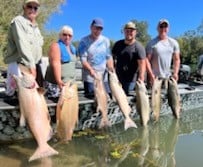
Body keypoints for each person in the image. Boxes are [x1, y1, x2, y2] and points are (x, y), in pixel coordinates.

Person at [3, 0, 43, 97]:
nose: (33, 10)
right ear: (24, 7)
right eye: (30, 6)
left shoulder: (36, 27)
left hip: (32, 66)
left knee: (34, 98)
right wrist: (31, 66)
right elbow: (23, 45)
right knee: (18, 98)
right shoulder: (18, 21)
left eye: (35, 8)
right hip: (20, 65)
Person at [78, 18, 114, 98]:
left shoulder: (106, 40)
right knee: (92, 101)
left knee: (106, 99)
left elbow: (108, 57)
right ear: (91, 27)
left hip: (103, 78)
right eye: (96, 28)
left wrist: (111, 70)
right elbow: (83, 60)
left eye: (100, 29)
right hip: (90, 78)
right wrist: (91, 70)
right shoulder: (84, 41)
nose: (97, 31)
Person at [112, 21, 146, 95]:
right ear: (124, 32)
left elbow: (142, 64)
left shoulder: (138, 47)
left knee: (128, 100)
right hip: (117, 79)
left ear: (135, 32)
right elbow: (112, 58)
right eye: (127, 31)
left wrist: (141, 77)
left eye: (131, 31)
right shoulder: (117, 44)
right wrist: (112, 71)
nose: (129, 33)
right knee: (116, 98)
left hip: (131, 81)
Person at [45, 25, 77, 98]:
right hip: (57, 84)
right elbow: (56, 63)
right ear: (60, 35)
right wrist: (58, 80)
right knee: (55, 108)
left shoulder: (73, 49)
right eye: (64, 34)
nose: (67, 37)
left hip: (70, 84)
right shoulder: (55, 46)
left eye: (70, 35)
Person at [146, 19, 180, 86]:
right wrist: (151, 75)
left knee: (167, 96)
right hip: (155, 78)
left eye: (165, 27)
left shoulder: (174, 43)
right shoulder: (151, 43)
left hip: (168, 78)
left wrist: (175, 73)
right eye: (161, 26)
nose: (163, 29)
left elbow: (177, 59)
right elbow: (147, 60)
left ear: (168, 28)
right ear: (157, 28)